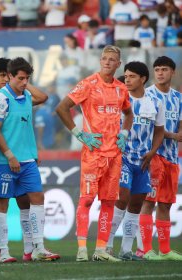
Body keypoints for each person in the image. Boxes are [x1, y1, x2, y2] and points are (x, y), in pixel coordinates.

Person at [56, 45, 133, 262]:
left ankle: (100, 249)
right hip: (93, 153)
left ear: (119, 64)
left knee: (109, 202)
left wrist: (125, 133)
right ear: (100, 61)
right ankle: (82, 249)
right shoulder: (88, 84)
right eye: (104, 58)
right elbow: (62, 108)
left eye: (112, 60)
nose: (107, 62)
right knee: (87, 200)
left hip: (115, 154)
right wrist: (79, 134)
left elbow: (129, 113)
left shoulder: (121, 88)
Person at [0, 57, 60, 262]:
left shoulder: (27, 95)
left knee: (37, 199)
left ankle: (38, 247)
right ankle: (2, 252)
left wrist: (25, 84)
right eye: (19, 78)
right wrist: (10, 156)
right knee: (1, 205)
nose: (23, 82)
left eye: (27, 78)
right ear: (9, 76)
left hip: (28, 161)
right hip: (5, 161)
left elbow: (44, 96)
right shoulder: (0, 99)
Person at [106, 61, 164, 261]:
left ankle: (126, 250)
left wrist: (152, 152)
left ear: (143, 79)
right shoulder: (118, 99)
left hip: (143, 161)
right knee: (122, 198)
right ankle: (106, 246)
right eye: (126, 75)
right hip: (121, 158)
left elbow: (159, 131)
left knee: (136, 204)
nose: (127, 79)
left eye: (132, 76)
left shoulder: (155, 103)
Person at [139, 56, 182, 261]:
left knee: (165, 204)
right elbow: (150, 127)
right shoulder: (148, 95)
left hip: (173, 157)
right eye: (157, 69)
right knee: (149, 201)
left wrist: (179, 133)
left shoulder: (178, 97)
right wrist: (174, 135)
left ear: (172, 72)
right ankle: (146, 249)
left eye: (164, 69)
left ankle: (165, 250)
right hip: (154, 156)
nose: (160, 73)